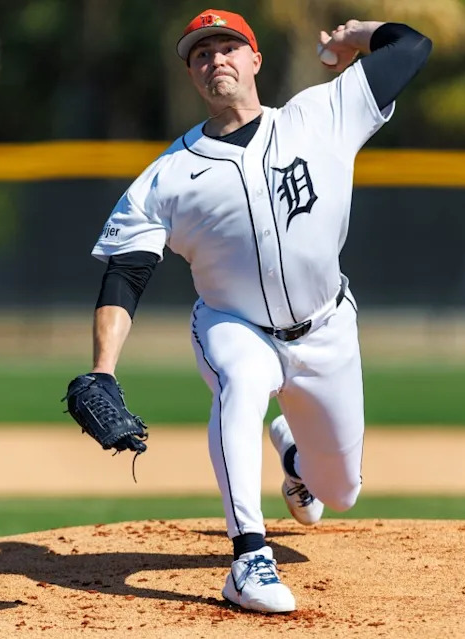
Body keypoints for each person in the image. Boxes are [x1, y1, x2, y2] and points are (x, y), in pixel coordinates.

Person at [77, 8, 431, 613]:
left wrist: (354, 38)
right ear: (192, 75)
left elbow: (412, 46)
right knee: (240, 382)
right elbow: (126, 273)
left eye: (228, 47)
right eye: (200, 54)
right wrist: (104, 368)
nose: (216, 59)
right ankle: (248, 559)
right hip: (233, 325)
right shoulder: (168, 176)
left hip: (327, 329)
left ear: (255, 59)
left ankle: (293, 452)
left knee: (339, 494)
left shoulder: (320, 115)